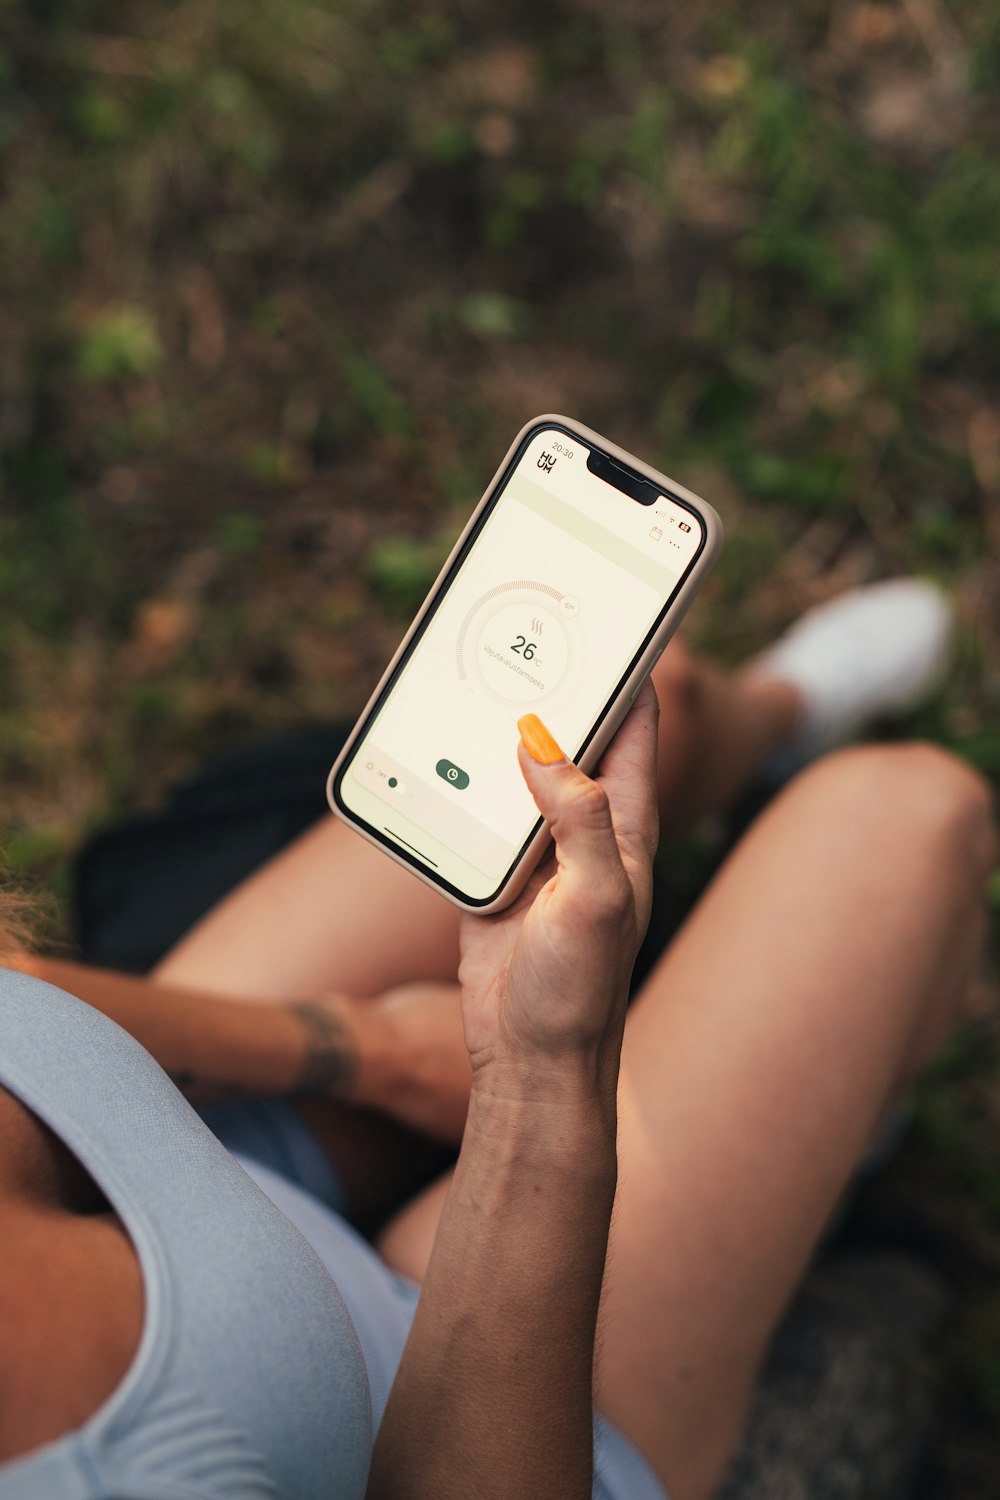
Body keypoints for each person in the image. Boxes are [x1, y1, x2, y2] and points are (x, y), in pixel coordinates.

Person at [0, 579, 995, 1500]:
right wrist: (533, 1087)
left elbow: (27, 996)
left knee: (646, 705)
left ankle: (777, 716)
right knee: (905, 815)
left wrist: (361, 1048)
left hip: (179, 1139)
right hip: (467, 1409)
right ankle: (843, 1145)